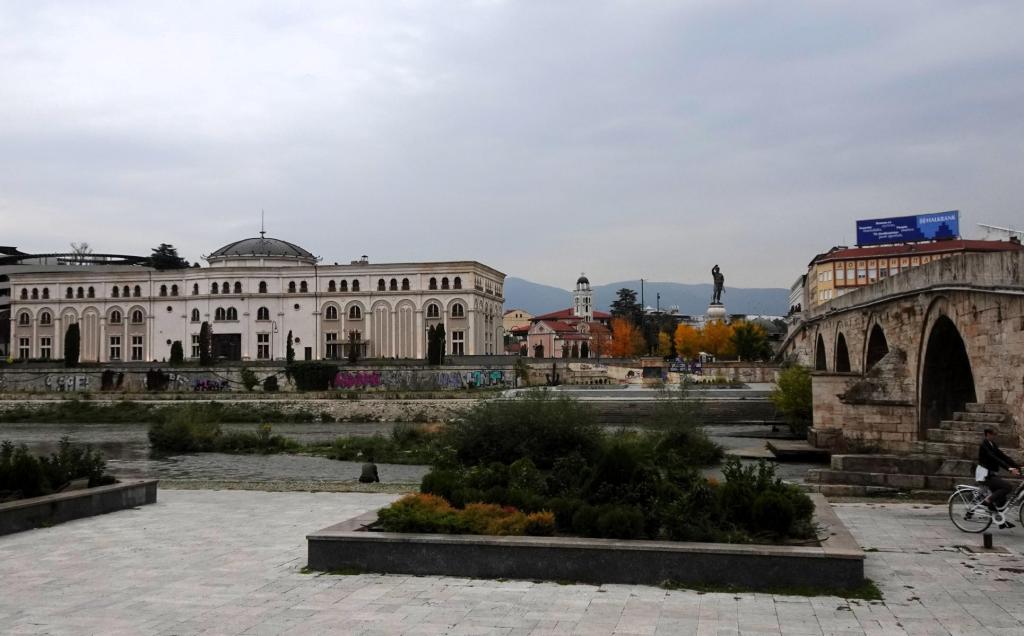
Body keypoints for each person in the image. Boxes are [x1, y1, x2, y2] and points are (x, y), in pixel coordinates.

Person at [978, 428, 1020, 528]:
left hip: (992, 474)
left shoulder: (993, 445)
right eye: (993, 434)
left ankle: (1000, 520)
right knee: (1007, 487)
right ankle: (988, 500)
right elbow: (995, 458)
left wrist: (1017, 466)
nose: (995, 436)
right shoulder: (984, 445)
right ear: (987, 434)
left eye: (996, 434)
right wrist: (1009, 469)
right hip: (985, 474)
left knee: (1002, 498)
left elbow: (1003, 456)